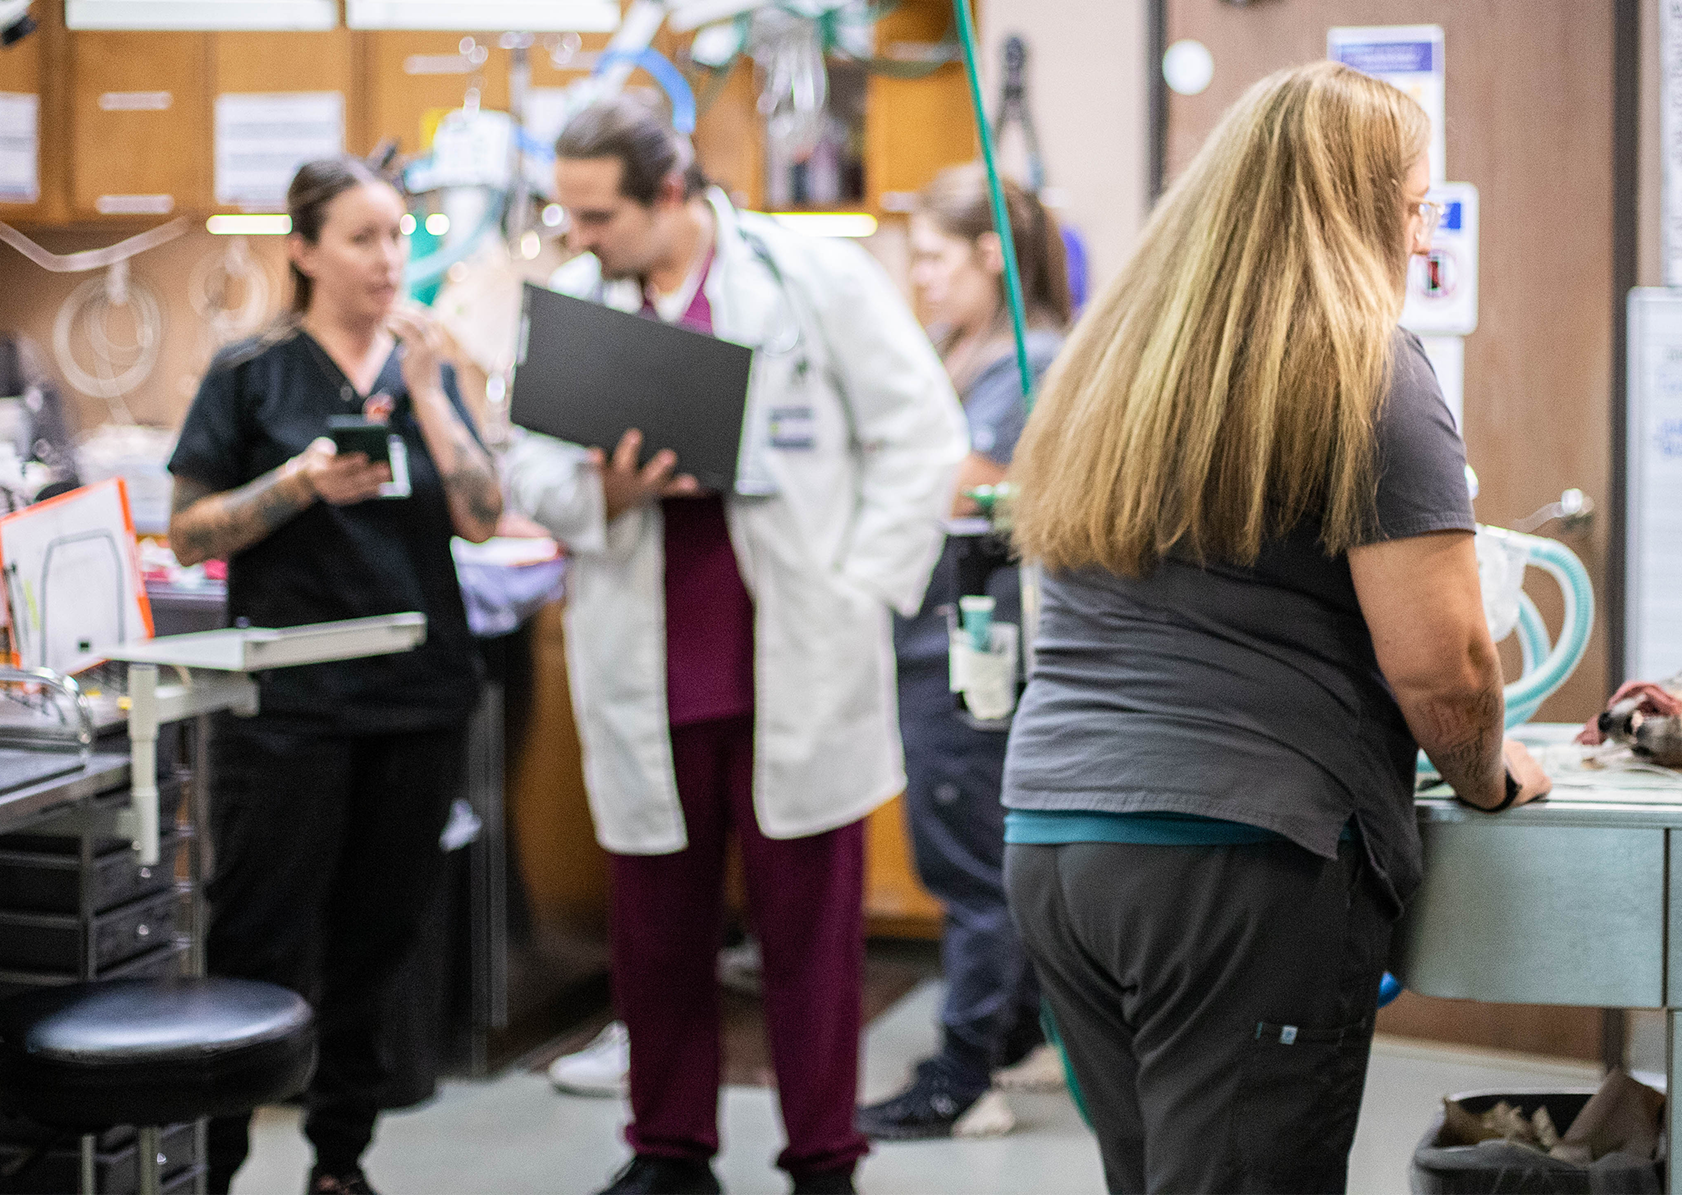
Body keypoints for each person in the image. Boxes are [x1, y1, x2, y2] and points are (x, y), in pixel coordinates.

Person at [1001, 60, 1550, 1195]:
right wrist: (1489, 774)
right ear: (1357, 215)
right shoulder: (1365, 365)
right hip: (1230, 863)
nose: (1418, 244)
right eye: (1412, 213)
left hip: (1057, 839)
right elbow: (1443, 665)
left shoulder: (1117, 360)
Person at [504, 95, 966, 1195]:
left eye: (599, 214)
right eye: (567, 215)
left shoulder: (810, 281)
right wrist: (596, 491)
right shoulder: (575, 302)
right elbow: (521, 462)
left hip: (792, 655)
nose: (580, 238)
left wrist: (862, 589)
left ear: (670, 194)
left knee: (810, 935)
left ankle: (821, 1157)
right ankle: (669, 1152)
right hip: (648, 668)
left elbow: (920, 438)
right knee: (656, 936)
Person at [167, 154, 504, 1195]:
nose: (387, 259)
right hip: (286, 708)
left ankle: (339, 1164)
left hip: (415, 698)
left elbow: (485, 517)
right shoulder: (249, 374)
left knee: (376, 943)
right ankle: (214, 1164)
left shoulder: (431, 365)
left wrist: (436, 397)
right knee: (256, 937)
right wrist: (299, 483)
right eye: (362, 238)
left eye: (399, 235)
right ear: (304, 251)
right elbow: (186, 533)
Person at [857, 165, 1072, 1143]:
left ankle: (961, 1077)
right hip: (941, 635)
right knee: (987, 848)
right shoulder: (959, 353)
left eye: (937, 260)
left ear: (993, 255)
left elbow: (965, 488)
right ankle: (1015, 1031)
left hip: (971, 644)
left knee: (968, 861)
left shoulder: (1025, 361)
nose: (923, 282)